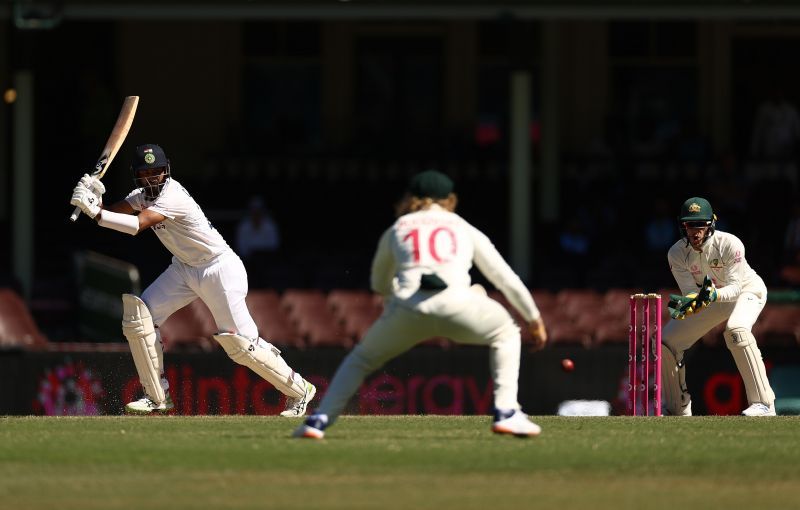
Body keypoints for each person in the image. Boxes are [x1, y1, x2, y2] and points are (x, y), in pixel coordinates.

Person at [293, 170, 548, 439]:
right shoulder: (462, 227)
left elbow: (379, 283)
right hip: (458, 305)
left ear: (411, 199)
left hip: (407, 308)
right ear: (449, 199)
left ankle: (318, 421)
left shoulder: (397, 229)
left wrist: (397, 300)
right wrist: (534, 319)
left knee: (361, 359)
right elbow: (505, 278)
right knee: (506, 332)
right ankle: (507, 412)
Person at [69, 143, 315, 416]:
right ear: (137, 175)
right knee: (140, 317)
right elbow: (114, 214)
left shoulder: (172, 196)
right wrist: (95, 198)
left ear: (167, 171)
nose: (152, 178)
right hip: (184, 269)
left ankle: (300, 390)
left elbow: (137, 225)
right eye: (146, 173)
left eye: (158, 172)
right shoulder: (141, 195)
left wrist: (97, 213)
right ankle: (156, 397)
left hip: (218, 269)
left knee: (241, 346)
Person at [662, 197, 775, 416]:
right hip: (712, 298)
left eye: (700, 225)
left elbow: (734, 289)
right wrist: (688, 305)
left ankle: (764, 404)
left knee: (736, 330)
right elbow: (691, 294)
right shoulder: (676, 253)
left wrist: (709, 294)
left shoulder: (730, 244)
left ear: (711, 224)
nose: (694, 232)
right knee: (667, 341)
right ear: (682, 226)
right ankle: (677, 408)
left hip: (747, 291)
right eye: (689, 225)